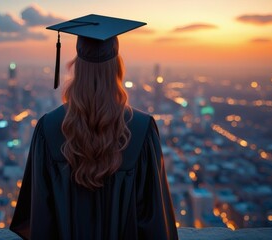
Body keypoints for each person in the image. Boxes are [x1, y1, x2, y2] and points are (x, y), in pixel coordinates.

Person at [10, 14, 179, 240]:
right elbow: (154, 220)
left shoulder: (47, 129)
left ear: (76, 68)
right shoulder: (142, 129)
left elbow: (39, 216)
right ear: (117, 68)